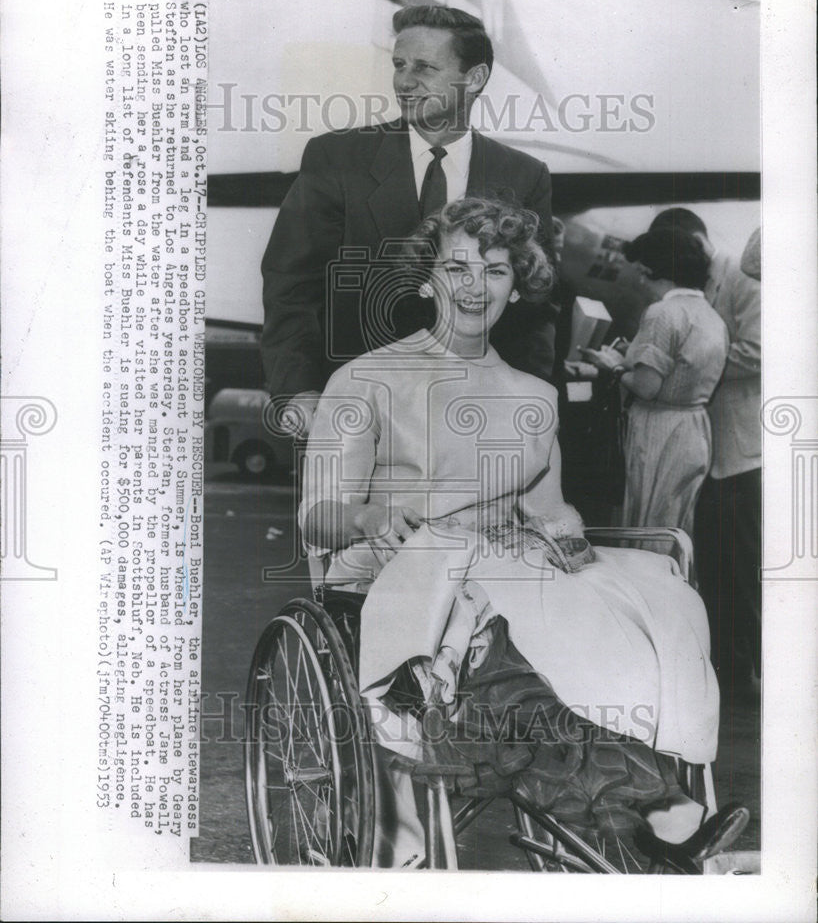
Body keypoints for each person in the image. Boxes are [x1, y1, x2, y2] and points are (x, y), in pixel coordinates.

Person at [300, 199, 735, 867]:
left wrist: (566, 539)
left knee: (656, 598)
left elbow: (551, 511)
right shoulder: (366, 380)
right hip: (398, 574)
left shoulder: (535, 396)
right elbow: (319, 514)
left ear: (517, 284)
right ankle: (653, 806)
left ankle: (641, 793)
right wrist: (368, 516)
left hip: (505, 569)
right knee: (491, 637)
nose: (476, 286)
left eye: (496, 270)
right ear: (427, 279)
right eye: (457, 266)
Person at [260, 5, 557, 437]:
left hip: (472, 420)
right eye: (399, 65)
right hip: (351, 413)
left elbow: (536, 307)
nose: (404, 81)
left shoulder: (524, 176)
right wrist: (300, 391)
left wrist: (525, 406)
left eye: (425, 67)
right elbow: (289, 286)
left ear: (473, 79)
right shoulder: (335, 158)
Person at [585, 227, 729, 540]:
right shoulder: (711, 316)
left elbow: (646, 387)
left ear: (653, 271)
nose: (639, 281)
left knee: (644, 529)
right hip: (694, 430)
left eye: (640, 272)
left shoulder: (663, 312)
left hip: (657, 432)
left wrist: (614, 366)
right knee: (674, 529)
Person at [694, 228, 762, 688]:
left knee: (747, 570)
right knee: (718, 569)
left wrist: (695, 366)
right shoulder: (702, 282)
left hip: (741, 450)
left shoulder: (742, 275)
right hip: (710, 449)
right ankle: (732, 673)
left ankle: (770, 675)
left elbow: (758, 351)